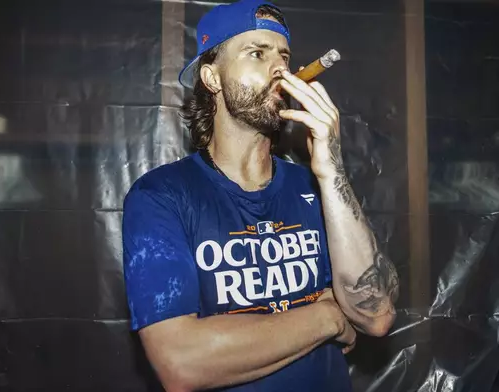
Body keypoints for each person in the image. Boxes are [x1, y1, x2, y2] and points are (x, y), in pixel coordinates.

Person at [122, 0, 399, 391]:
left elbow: (377, 314)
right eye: (257, 53)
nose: (280, 70)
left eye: (284, 57)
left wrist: (331, 169)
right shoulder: (161, 196)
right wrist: (327, 318)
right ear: (212, 78)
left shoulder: (314, 187)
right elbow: (181, 362)